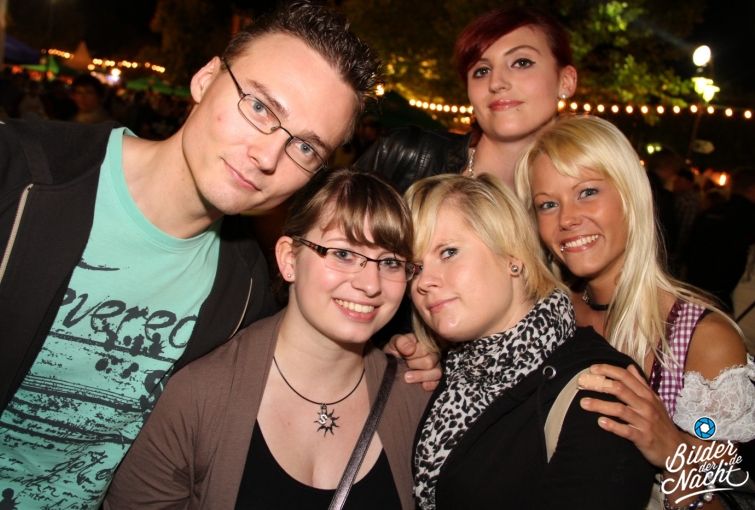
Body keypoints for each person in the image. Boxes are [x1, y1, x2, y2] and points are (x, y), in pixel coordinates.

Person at [0, 2, 440, 507]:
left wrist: (403, 352)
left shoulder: (244, 291)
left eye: (305, 148)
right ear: (206, 78)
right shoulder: (18, 178)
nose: (267, 156)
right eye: (260, 108)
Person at [104, 168, 429, 508]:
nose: (371, 284)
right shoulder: (194, 400)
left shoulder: (416, 396)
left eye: (390, 262)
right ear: (289, 258)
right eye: (343, 254)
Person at [515, 115, 755, 509]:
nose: (567, 218)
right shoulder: (542, 314)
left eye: (587, 191)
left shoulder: (702, 341)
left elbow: (722, 497)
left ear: (632, 195)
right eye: (548, 204)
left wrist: (673, 449)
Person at [407, 174, 654, 509]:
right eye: (415, 267)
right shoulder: (453, 371)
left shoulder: (598, 389)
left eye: (448, 252)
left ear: (512, 256)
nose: (424, 282)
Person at [355, 6, 577, 192]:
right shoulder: (407, 157)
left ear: (566, 81)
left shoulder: (582, 196)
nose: (496, 82)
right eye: (482, 71)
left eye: (521, 62)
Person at [684, 167, 755, 311]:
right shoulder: (751, 219)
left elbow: (689, 248)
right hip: (729, 298)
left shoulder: (710, 213)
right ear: (752, 189)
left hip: (696, 289)